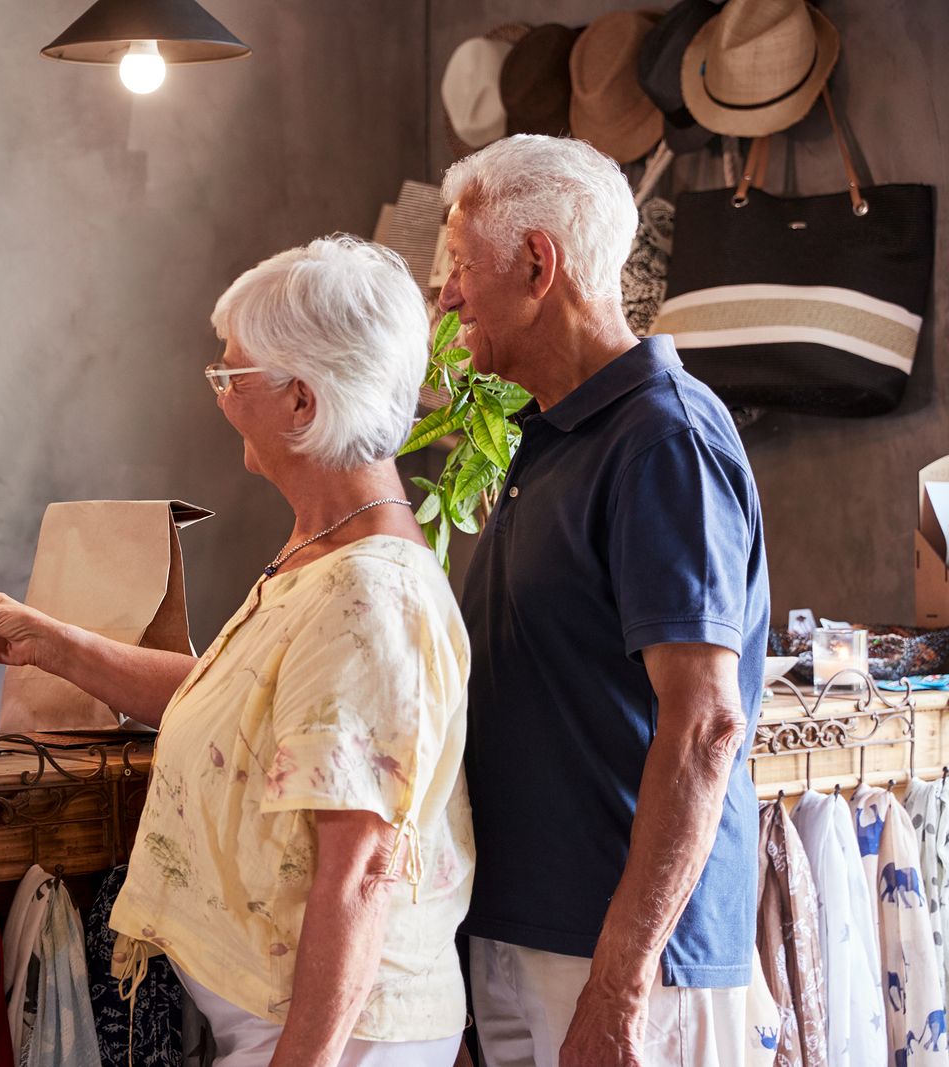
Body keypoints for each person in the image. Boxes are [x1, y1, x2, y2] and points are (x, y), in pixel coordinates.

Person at [0, 235, 473, 1067]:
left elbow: (362, 867)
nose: (219, 399)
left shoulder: (368, 595)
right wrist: (44, 639)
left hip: (341, 1034)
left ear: (303, 401)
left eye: (232, 377)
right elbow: (231, 699)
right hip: (289, 1016)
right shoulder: (322, 551)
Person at [439, 135, 773, 1067]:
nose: (446, 295)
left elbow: (705, 724)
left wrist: (622, 982)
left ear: (539, 264)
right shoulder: (547, 437)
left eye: (462, 267)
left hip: (624, 966)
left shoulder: (663, 438)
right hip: (526, 938)